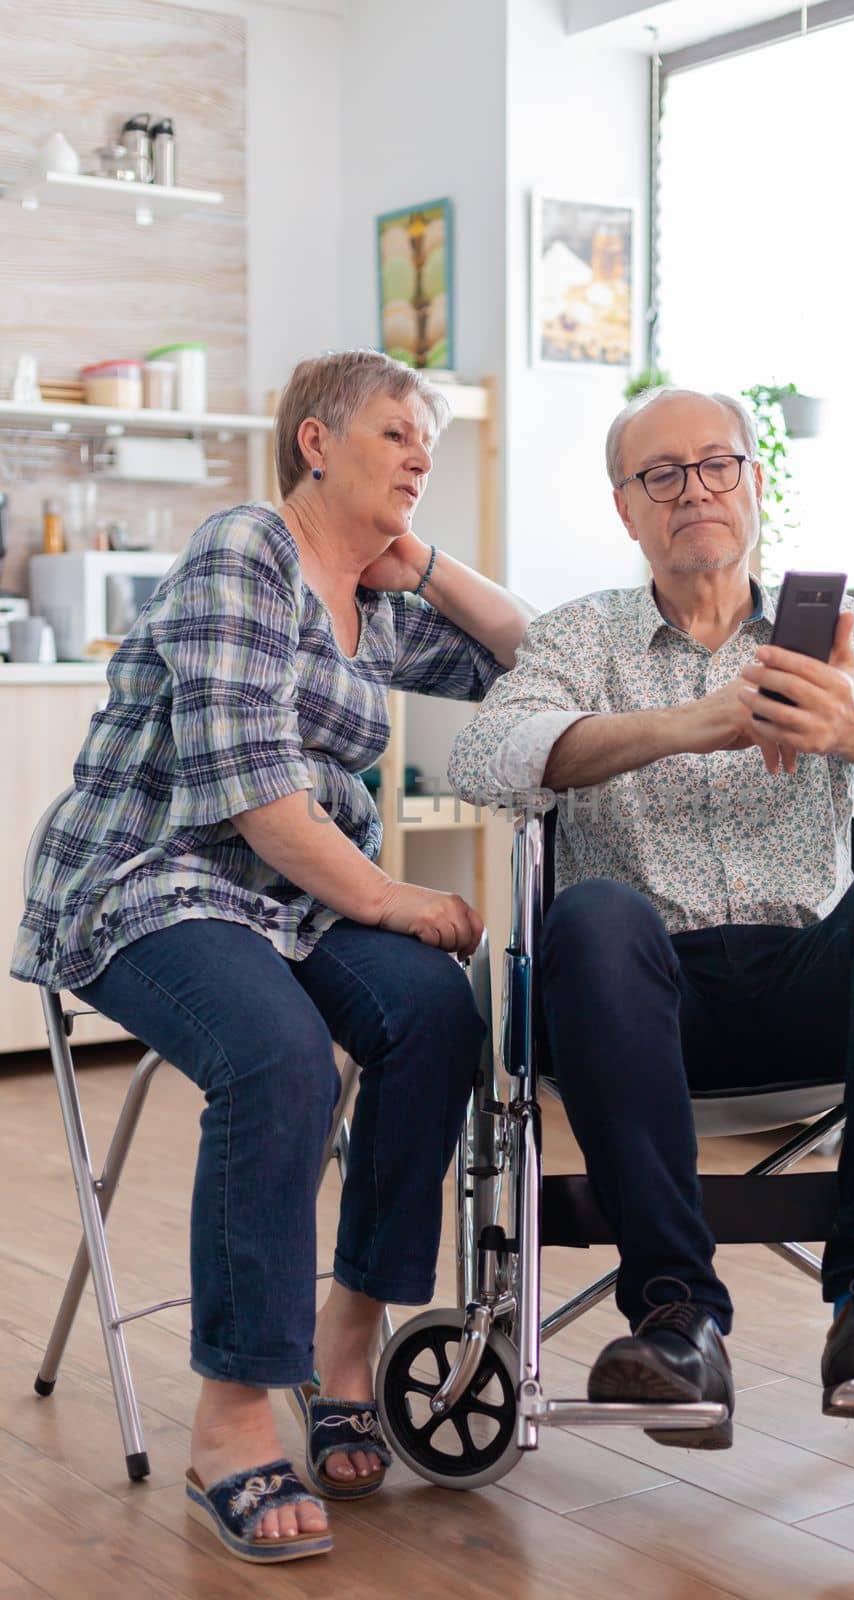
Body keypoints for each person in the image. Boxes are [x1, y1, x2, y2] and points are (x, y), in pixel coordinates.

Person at [13, 350, 534, 1561]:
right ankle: (234, 1414)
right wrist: (400, 898)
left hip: (289, 906)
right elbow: (256, 800)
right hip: (149, 882)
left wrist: (425, 564)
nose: (420, 457)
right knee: (283, 1056)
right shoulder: (243, 550)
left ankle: (347, 1338)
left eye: (432, 445)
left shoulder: (375, 601)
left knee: (441, 1018)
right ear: (315, 440)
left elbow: (534, 661)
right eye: (397, 433)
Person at [448, 385, 854, 1450]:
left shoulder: (833, 632)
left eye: (715, 465)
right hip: (638, 993)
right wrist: (679, 726)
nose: (692, 488)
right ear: (625, 508)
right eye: (662, 473)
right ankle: (674, 1315)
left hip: (802, 978)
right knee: (593, 913)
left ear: (753, 483)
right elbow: (484, 756)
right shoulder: (577, 637)